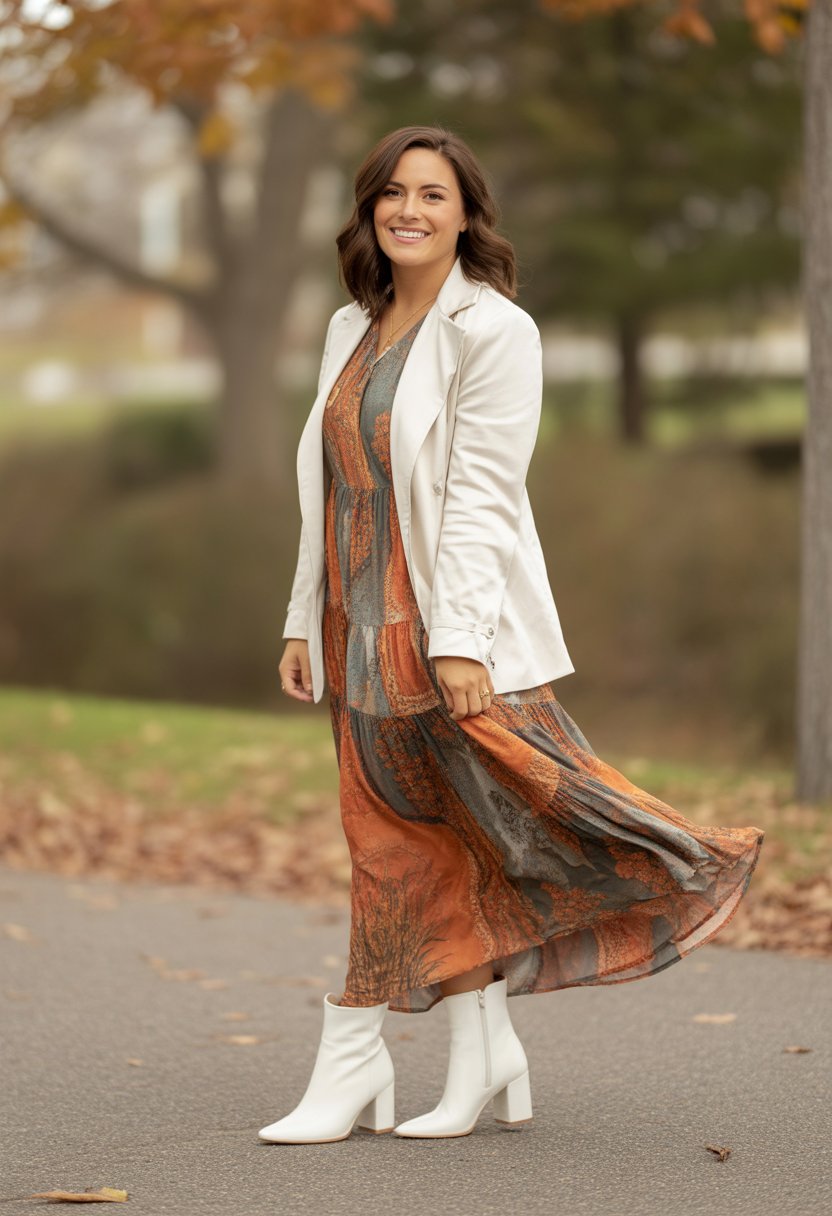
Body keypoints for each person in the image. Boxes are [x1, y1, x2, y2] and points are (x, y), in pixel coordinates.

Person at [259, 125, 764, 1144]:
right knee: (403, 846)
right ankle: (480, 1052)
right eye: (391, 193)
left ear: (466, 214)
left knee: (497, 821)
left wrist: (461, 640)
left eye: (432, 195)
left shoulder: (496, 331)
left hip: (440, 632)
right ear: (367, 210)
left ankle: (355, 1060)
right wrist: (298, 615)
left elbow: (484, 499)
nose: (408, 210)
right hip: (352, 627)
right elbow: (333, 489)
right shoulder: (345, 326)